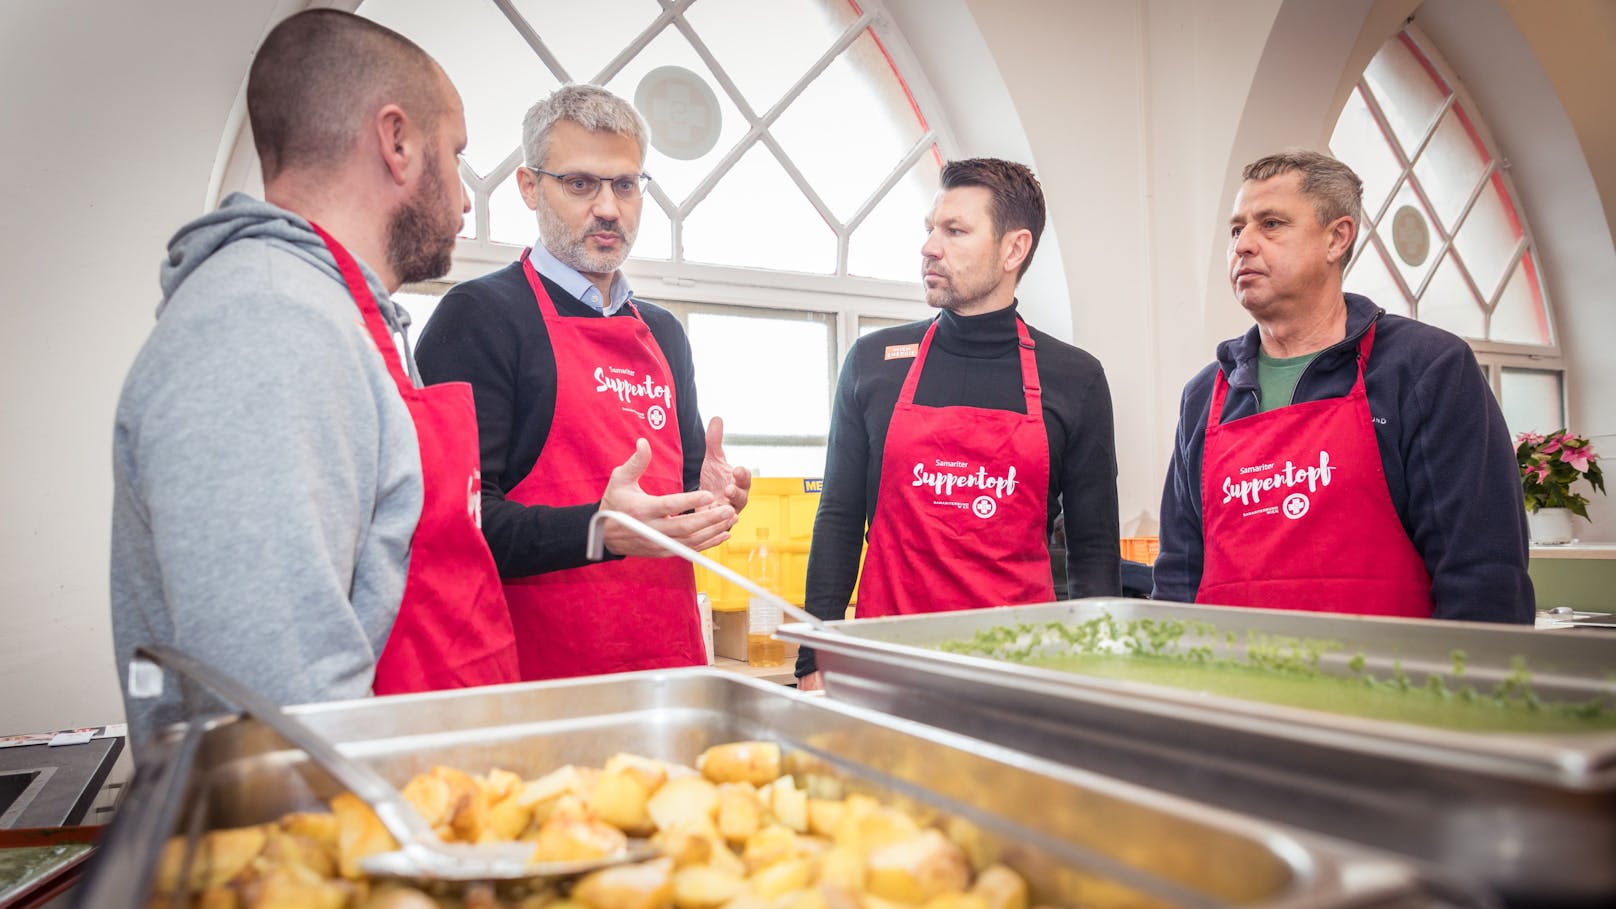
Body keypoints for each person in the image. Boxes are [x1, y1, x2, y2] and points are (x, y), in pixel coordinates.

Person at [111, 9, 519, 755]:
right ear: (397, 142)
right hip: (331, 843)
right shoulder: (267, 323)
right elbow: (281, 705)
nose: (465, 200)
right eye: (456, 155)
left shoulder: (339, 314)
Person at [416, 85, 747, 681]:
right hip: (536, 675)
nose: (608, 208)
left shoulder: (665, 333)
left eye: (624, 185)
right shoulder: (478, 317)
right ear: (528, 187)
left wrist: (710, 501)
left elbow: (675, 499)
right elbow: (456, 525)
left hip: (666, 668)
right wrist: (599, 531)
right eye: (579, 184)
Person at [1153, 149, 1534, 622]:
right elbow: (1178, 575)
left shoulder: (1426, 369)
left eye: (1270, 224)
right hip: (1231, 686)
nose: (1243, 245)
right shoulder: (1204, 395)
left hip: (1387, 688)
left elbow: (1483, 575)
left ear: (1337, 239)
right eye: (1237, 229)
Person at [796, 158, 1121, 690]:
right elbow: (838, 518)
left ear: (1013, 249)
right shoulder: (873, 362)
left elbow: (1093, 549)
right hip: (889, 667)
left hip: (1020, 678)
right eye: (930, 228)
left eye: (954, 231)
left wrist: (1097, 672)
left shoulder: (1074, 378)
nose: (929, 246)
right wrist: (813, 656)